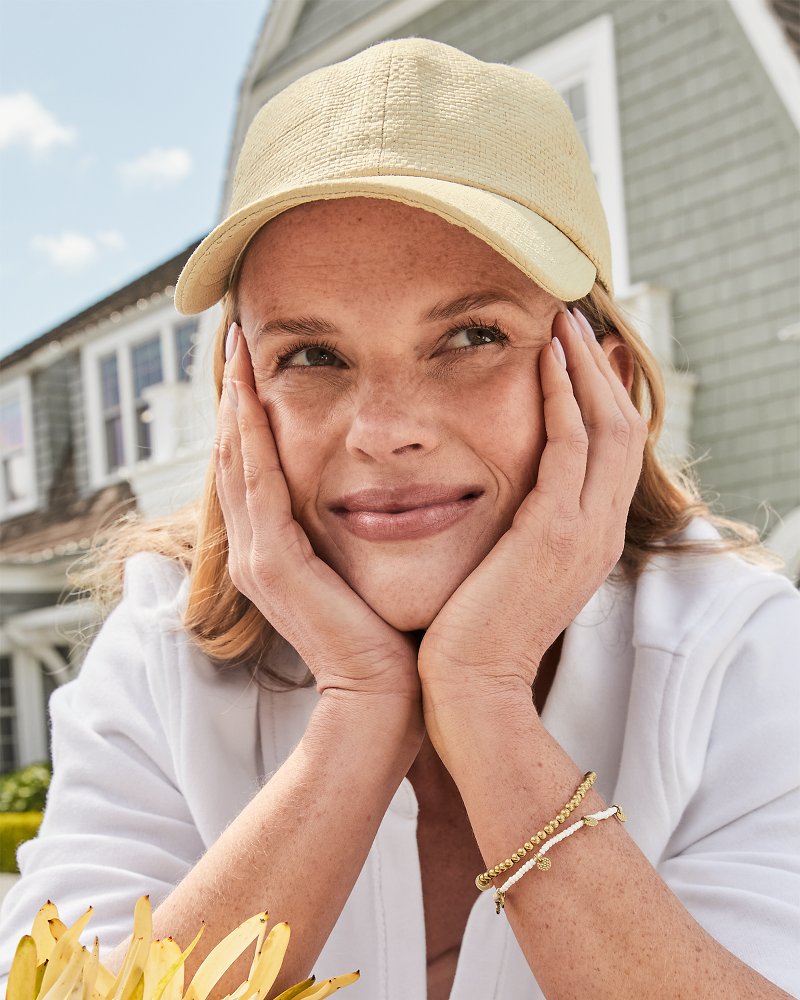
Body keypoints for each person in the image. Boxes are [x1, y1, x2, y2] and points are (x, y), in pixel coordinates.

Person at [0, 38, 798, 1000]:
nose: (384, 433)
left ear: (605, 386)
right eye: (310, 356)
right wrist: (359, 709)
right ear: (239, 405)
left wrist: (485, 700)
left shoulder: (737, 653)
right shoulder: (161, 653)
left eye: (472, 336)